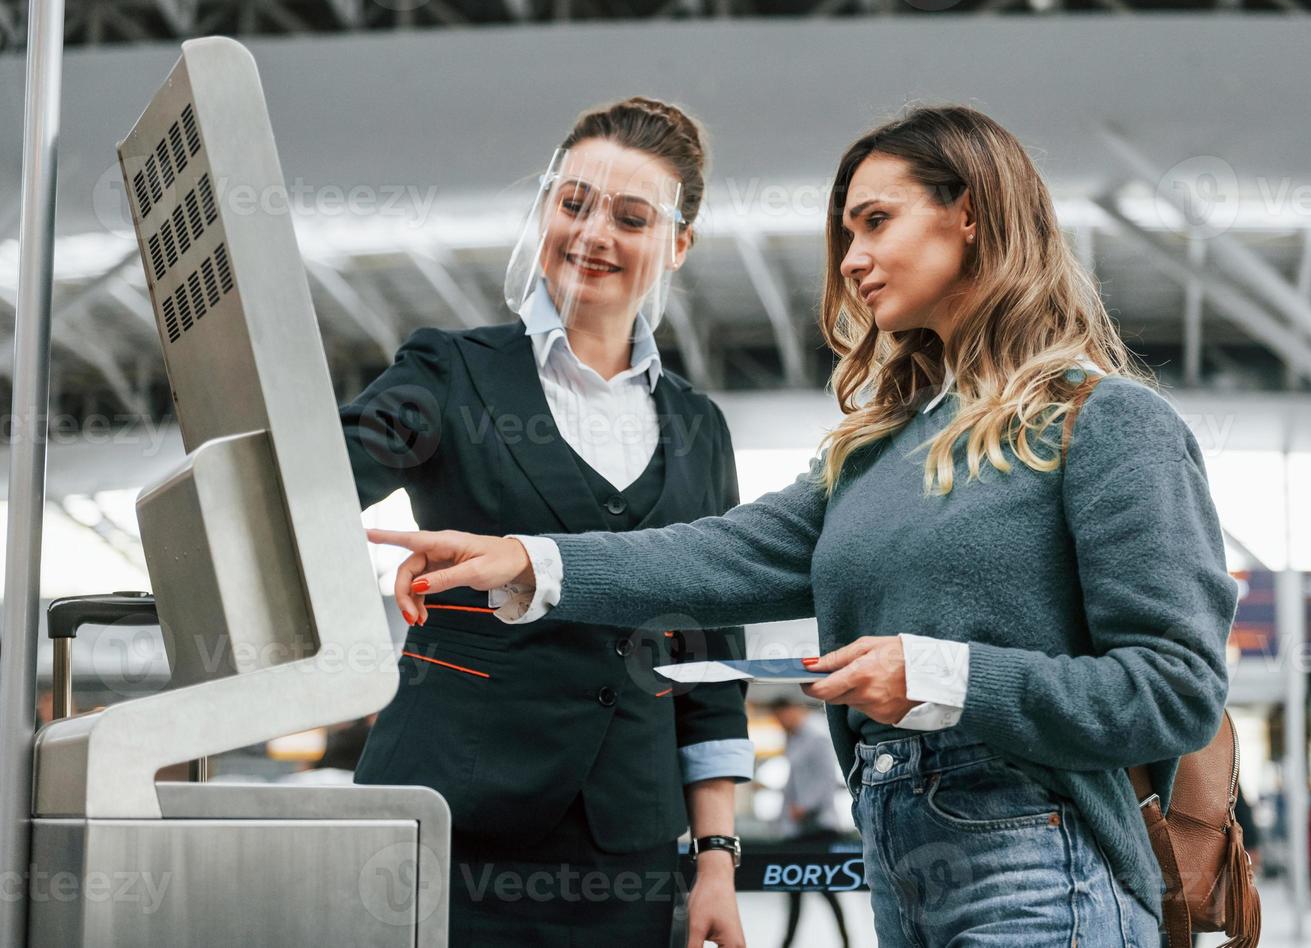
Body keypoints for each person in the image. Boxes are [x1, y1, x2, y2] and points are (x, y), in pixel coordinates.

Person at [368, 105, 1237, 946]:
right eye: (845, 237)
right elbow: (716, 556)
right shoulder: (875, 453)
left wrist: (941, 674)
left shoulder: (1105, 421)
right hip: (902, 862)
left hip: (1048, 865)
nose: (853, 261)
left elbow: (1175, 689)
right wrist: (526, 559)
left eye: (875, 223)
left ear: (969, 214)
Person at [343, 97, 751, 947]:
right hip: (449, 828)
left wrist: (714, 859)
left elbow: (710, 663)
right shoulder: (450, 371)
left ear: (676, 245)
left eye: (631, 217)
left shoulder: (698, 429)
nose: (594, 232)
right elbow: (314, 483)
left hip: (625, 852)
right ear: (546, 210)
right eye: (574, 203)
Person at [772, 698, 850, 948]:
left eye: (780, 715)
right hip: (797, 829)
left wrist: (804, 807)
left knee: (826, 888)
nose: (779, 722)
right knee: (795, 888)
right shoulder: (793, 738)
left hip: (817, 827)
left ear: (793, 709)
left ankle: (846, 940)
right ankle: (787, 942)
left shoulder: (816, 735)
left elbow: (827, 778)